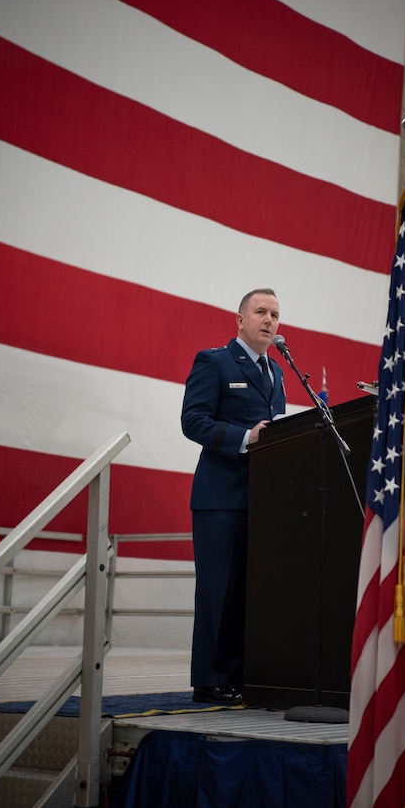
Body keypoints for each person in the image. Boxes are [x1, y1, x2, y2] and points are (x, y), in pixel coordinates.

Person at [181, 288, 287, 704]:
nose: (269, 320)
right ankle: (209, 680)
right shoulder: (215, 361)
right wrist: (246, 437)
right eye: (260, 311)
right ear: (240, 320)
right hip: (220, 498)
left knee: (247, 593)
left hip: (261, 502)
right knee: (217, 592)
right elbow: (193, 421)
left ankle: (240, 675)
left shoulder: (277, 371)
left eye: (275, 314)